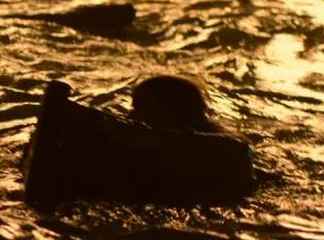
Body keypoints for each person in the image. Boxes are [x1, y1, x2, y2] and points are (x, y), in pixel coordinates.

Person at [22, 77, 254, 208]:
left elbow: (233, 150)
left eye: (140, 108)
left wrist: (109, 126)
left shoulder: (226, 147)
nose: (133, 115)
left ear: (173, 112)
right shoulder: (139, 146)